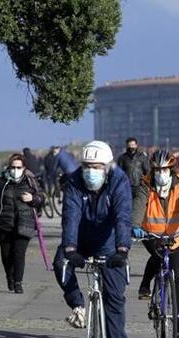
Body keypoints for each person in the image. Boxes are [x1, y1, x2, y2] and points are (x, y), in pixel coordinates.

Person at [52, 141, 131, 336]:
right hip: (81, 239)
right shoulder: (74, 181)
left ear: (106, 167)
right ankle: (78, 305)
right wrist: (70, 248)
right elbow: (71, 215)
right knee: (60, 262)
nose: (90, 171)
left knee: (114, 298)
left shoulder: (119, 181)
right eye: (87, 166)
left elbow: (123, 216)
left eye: (96, 167)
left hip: (109, 243)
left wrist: (122, 249)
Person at [131, 149, 179, 337]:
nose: (160, 174)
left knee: (177, 277)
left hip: (176, 235)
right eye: (157, 170)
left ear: (171, 170)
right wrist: (135, 225)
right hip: (152, 234)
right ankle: (146, 284)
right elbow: (139, 205)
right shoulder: (145, 184)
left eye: (164, 170)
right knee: (157, 256)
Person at [0, 153, 45, 294]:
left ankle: (18, 282)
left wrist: (32, 198)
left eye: (18, 167)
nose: (15, 170)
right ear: (8, 167)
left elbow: (41, 198)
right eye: (13, 167)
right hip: (4, 224)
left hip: (25, 224)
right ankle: (9, 277)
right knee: (6, 256)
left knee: (19, 254)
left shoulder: (30, 181)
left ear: (23, 167)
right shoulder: (1, 182)